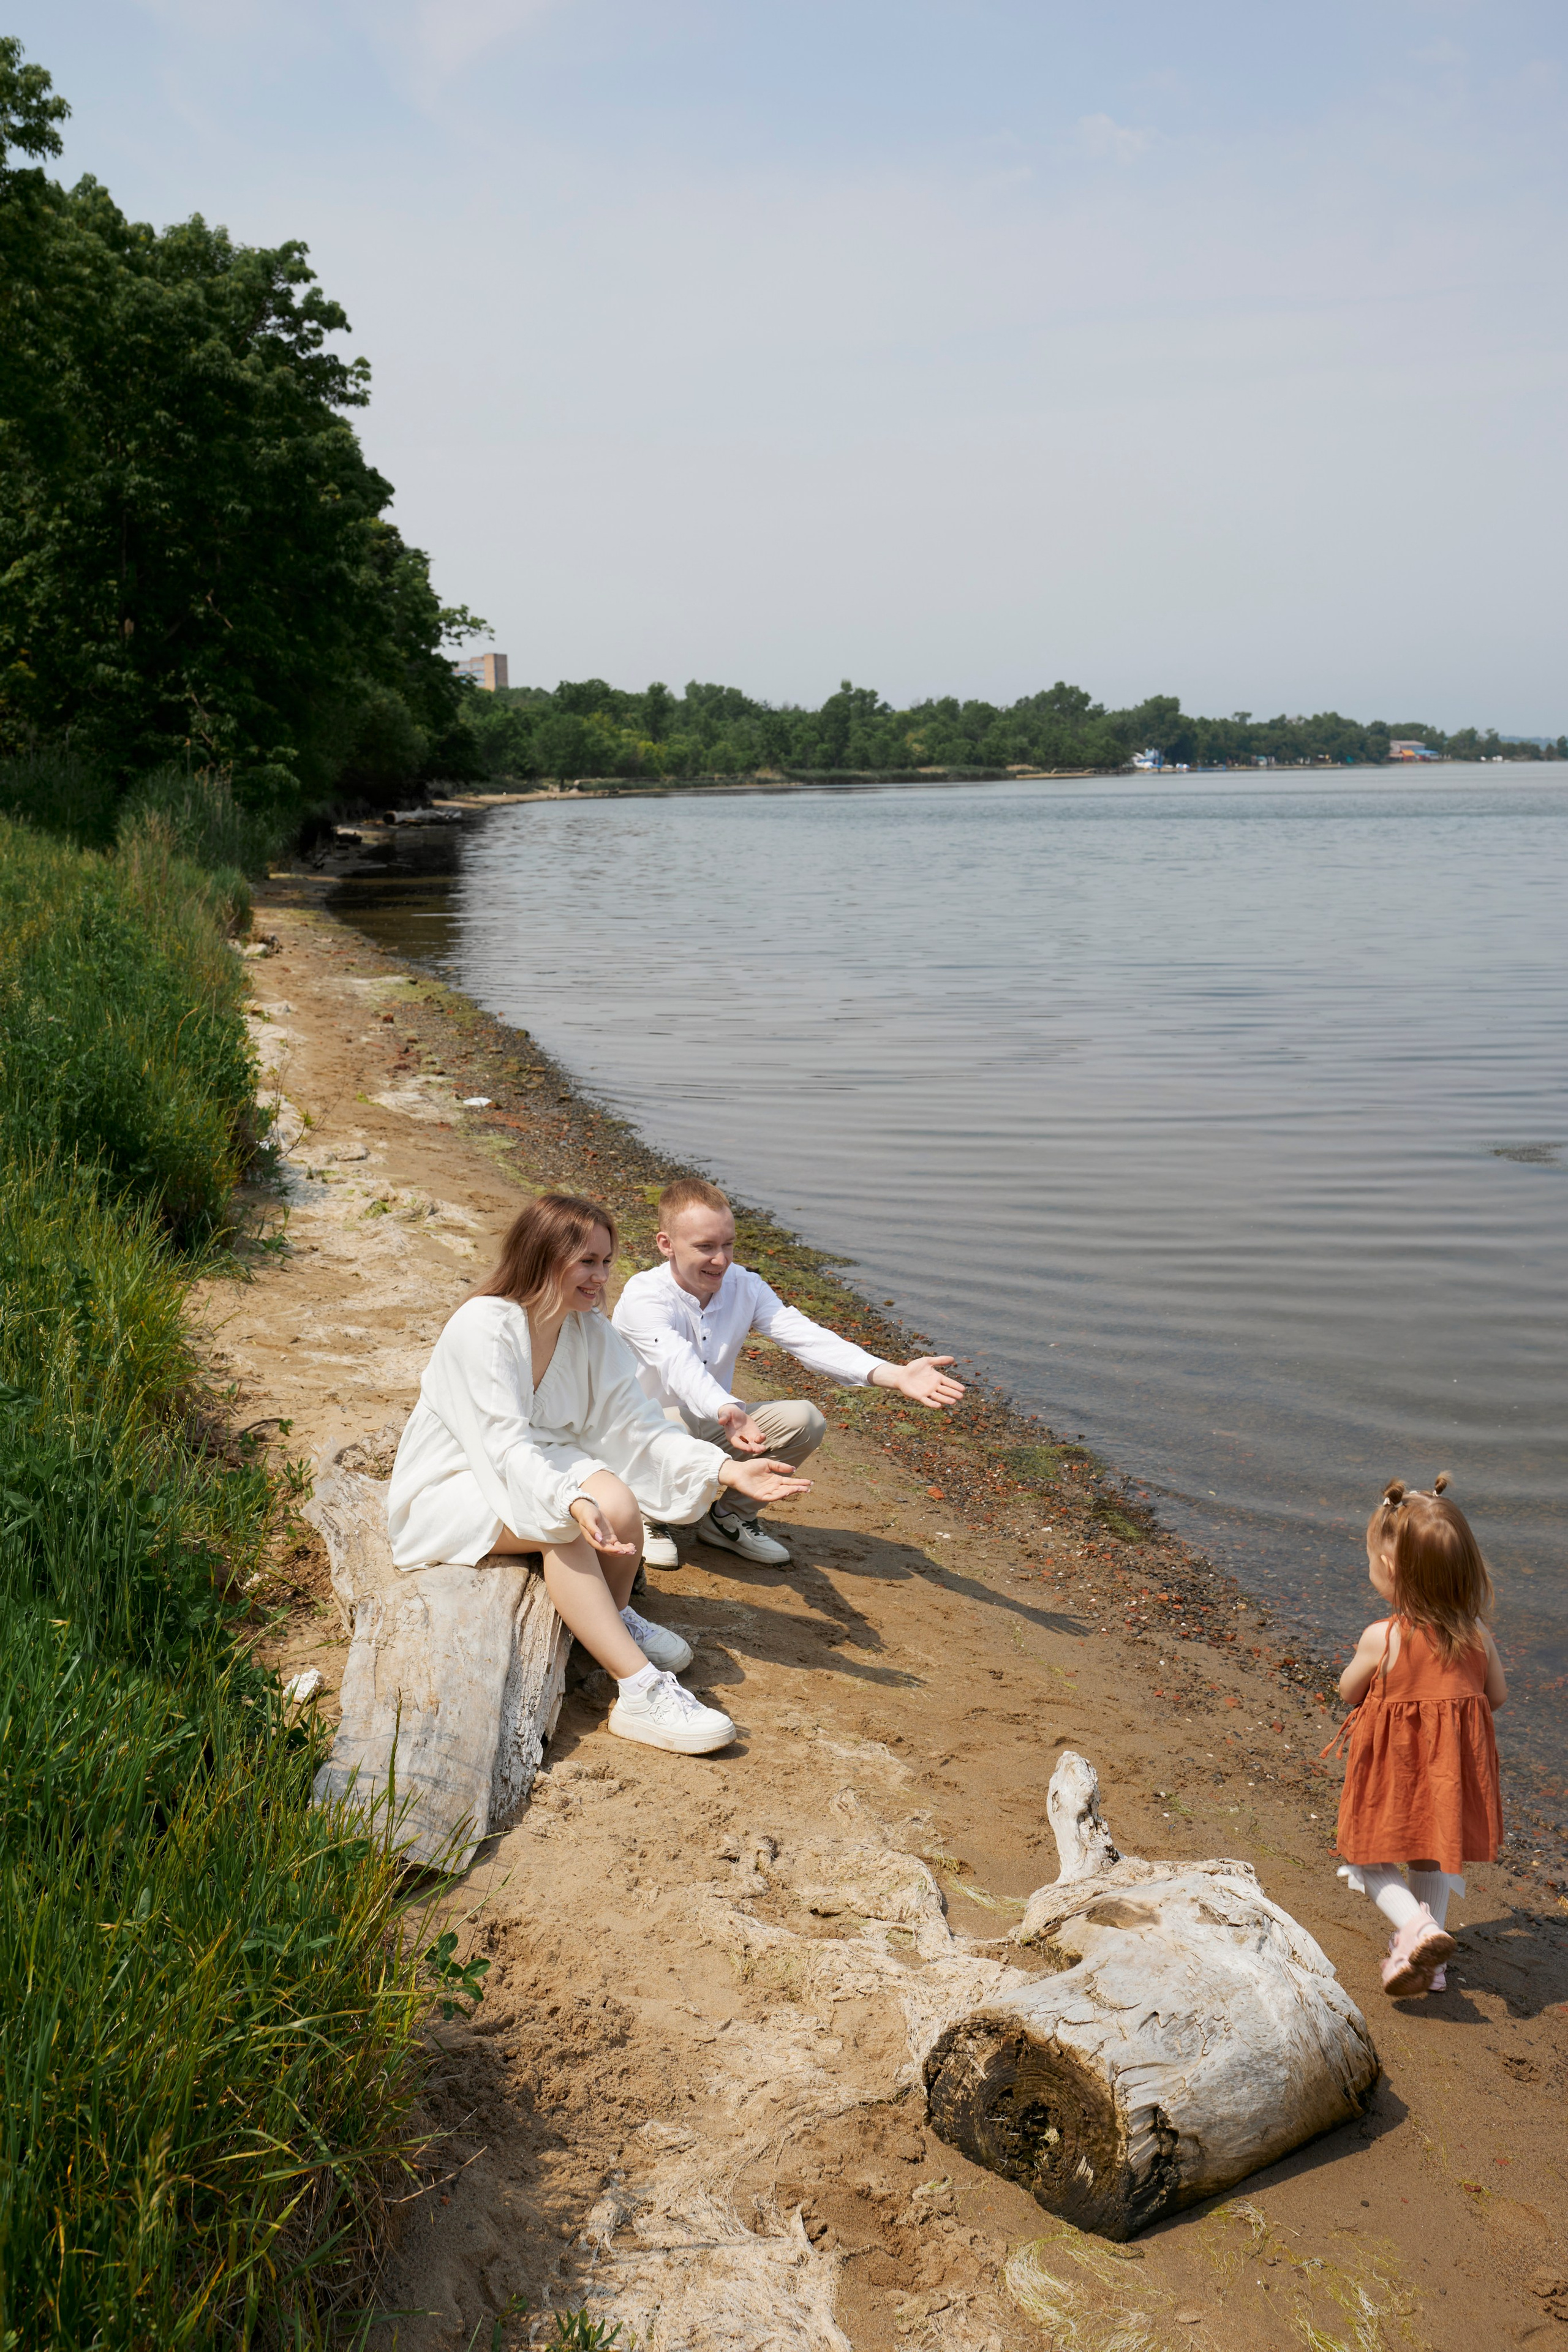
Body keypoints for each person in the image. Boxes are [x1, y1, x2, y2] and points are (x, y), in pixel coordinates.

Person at [386, 1193, 810, 1755]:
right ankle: (639, 1691)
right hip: (457, 1475)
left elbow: (638, 1425)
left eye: (606, 1262)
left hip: (534, 1461)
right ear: (542, 1256)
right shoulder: (486, 1325)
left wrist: (725, 1469)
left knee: (620, 1502)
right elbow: (502, 1445)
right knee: (565, 1529)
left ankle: (612, 1619)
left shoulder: (588, 1331)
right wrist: (568, 1500)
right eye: (587, 1262)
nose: (601, 1277)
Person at [612, 1177, 965, 1567]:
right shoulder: (643, 1295)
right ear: (666, 1244)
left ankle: (729, 1519)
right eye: (705, 1247)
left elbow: (805, 1337)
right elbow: (678, 1364)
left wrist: (891, 1374)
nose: (721, 1260)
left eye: (728, 1244)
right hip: (636, 1431)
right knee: (671, 1424)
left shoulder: (745, 1286)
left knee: (805, 1419)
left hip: (714, 1422)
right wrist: (728, 1408)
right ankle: (648, 1515)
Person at [1328, 1474, 1507, 1997]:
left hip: (1394, 1768)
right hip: (1452, 1772)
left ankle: (1419, 1930)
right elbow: (1495, 1698)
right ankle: (1434, 1967)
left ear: (1389, 1568)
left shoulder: (1382, 1637)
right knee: (1434, 1854)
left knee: (1366, 1857)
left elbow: (1347, 1691)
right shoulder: (1478, 1637)